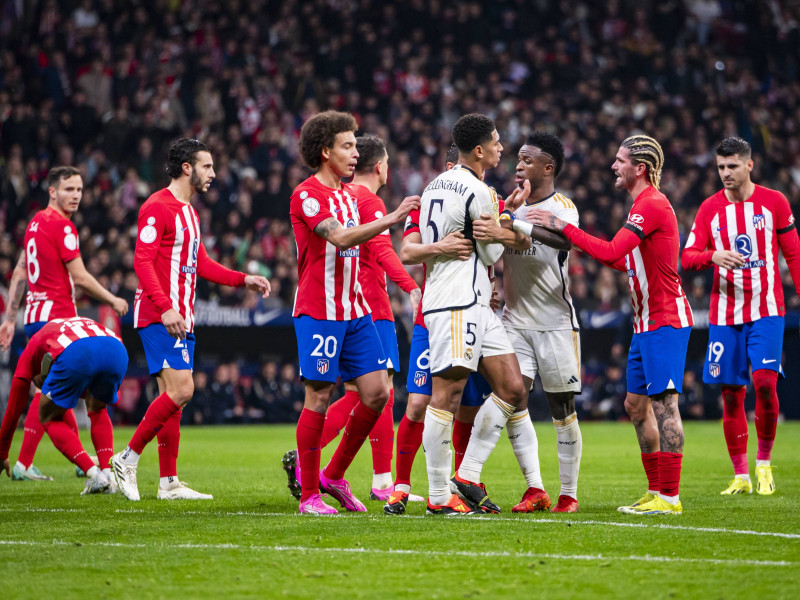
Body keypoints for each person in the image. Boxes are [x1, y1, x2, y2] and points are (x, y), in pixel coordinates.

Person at [527, 134, 693, 515]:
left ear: (640, 169)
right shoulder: (641, 206)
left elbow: (614, 251)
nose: (613, 167)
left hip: (665, 321)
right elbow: (623, 261)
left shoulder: (651, 204)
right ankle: (655, 492)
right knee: (635, 406)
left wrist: (561, 227)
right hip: (645, 322)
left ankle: (669, 497)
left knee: (665, 407)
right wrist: (567, 238)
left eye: (619, 161)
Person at [111, 138, 270, 501]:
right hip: (159, 314)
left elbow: (201, 265)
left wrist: (241, 278)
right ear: (187, 168)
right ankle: (128, 458)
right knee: (183, 389)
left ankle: (169, 482)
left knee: (175, 397)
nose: (213, 174)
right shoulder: (157, 207)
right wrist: (166, 307)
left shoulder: (191, 213)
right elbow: (142, 262)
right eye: (208, 166)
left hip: (182, 317)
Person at [289, 111, 419, 515]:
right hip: (319, 310)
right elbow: (340, 236)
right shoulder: (307, 194)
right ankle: (309, 494)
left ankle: (334, 474)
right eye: (347, 145)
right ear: (325, 151)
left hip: (357, 309)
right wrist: (392, 218)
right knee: (319, 395)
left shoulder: (350, 197)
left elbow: (370, 249)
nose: (355, 152)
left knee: (379, 392)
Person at [420, 113, 529, 515]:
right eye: (497, 142)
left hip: (474, 303)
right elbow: (490, 252)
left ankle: (465, 474)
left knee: (514, 388)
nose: (503, 148)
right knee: (446, 395)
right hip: (455, 301)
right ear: (479, 150)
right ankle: (437, 497)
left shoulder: (435, 184)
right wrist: (507, 224)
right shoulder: (478, 190)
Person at [681, 137, 800, 496]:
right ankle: (741, 475)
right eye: (720, 167)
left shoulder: (774, 202)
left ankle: (764, 463)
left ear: (750, 165)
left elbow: (793, 255)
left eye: (732, 166)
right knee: (731, 393)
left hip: (766, 309)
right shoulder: (709, 209)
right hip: (724, 313)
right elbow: (688, 257)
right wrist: (712, 256)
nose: (725, 173)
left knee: (764, 383)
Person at [473, 131, 583, 514]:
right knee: (512, 395)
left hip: (555, 322)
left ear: (547, 167)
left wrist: (521, 226)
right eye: (517, 158)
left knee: (561, 407)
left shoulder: (563, 206)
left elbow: (563, 241)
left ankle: (568, 494)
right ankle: (534, 488)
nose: (518, 164)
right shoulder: (510, 206)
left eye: (527, 160)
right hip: (514, 320)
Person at [0, 165, 128, 481]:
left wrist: (9, 320)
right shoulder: (61, 227)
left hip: (34, 318)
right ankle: (27, 462)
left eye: (80, 190)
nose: (76, 196)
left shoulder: (33, 225)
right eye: (69, 189)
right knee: (61, 397)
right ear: (52, 191)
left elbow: (19, 273)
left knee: (54, 390)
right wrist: (112, 300)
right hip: (58, 318)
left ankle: (77, 461)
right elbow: (81, 277)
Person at [0, 317, 128, 496]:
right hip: (117, 349)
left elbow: (13, 410)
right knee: (98, 408)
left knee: (48, 416)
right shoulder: (64, 325)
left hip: (77, 352)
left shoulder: (31, 351)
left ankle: (94, 474)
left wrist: (2, 453)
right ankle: (109, 475)